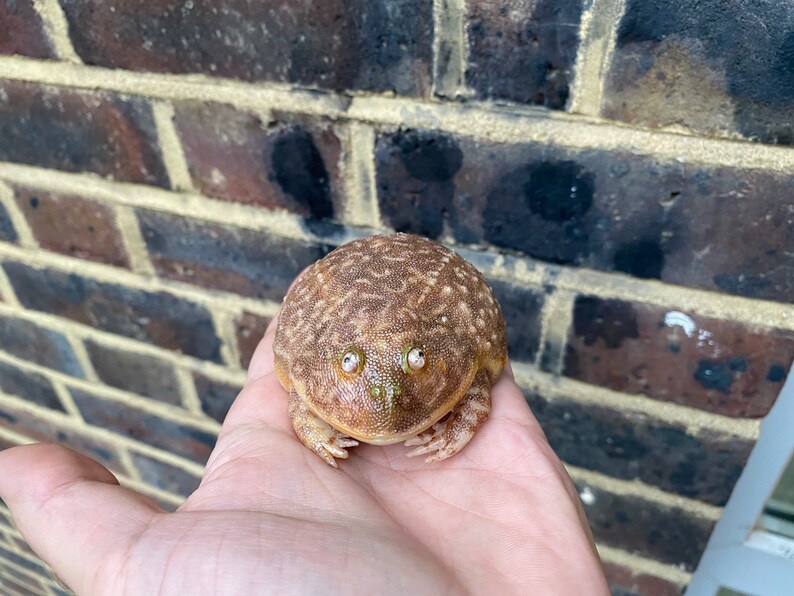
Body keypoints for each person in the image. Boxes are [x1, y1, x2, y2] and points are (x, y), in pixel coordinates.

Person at [0, 309, 609, 594]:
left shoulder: (450, 355)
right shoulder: (318, 376)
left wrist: (457, 412)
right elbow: (300, 401)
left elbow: (477, 378)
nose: (387, 397)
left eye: (415, 363)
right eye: (351, 367)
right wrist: (320, 431)